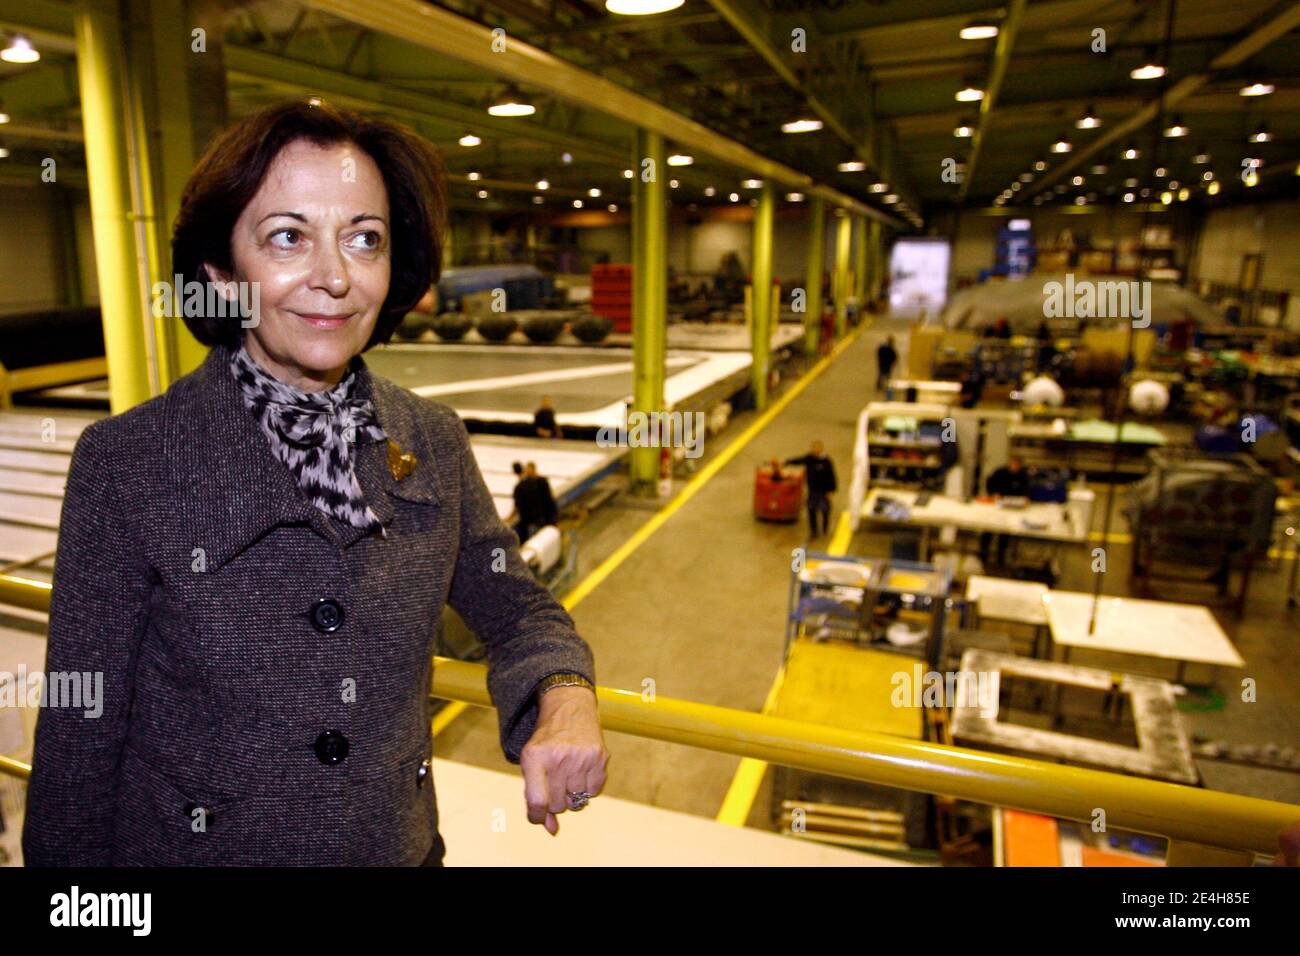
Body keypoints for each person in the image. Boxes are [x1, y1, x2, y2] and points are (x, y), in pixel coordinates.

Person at [22, 99, 607, 868]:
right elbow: (80, 735)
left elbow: (519, 608)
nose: (333, 277)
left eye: (364, 239)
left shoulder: (431, 439)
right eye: (288, 237)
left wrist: (564, 690)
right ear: (221, 273)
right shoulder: (129, 463)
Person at [980, 456, 1032, 568]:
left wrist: (1025, 498)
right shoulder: (1000, 472)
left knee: (1005, 532)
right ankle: (983, 555)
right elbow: (990, 483)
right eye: (1013, 464)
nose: (1015, 467)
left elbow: (1026, 491)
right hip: (997, 506)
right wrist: (993, 494)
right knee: (988, 528)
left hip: (1012, 507)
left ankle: (1001, 557)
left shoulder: (1023, 476)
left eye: (1017, 465)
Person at [785, 440, 837, 538]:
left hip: (824, 492)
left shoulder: (827, 462)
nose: (814, 450)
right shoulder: (809, 458)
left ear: (821, 449)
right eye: (813, 448)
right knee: (811, 510)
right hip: (813, 491)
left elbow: (832, 477)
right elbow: (799, 460)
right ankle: (813, 531)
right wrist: (787, 462)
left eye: (816, 448)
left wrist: (831, 491)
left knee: (825, 510)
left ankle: (825, 527)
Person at [513, 461, 559, 542]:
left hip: (538, 519)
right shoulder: (536, 482)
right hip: (541, 518)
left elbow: (547, 500)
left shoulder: (538, 483)